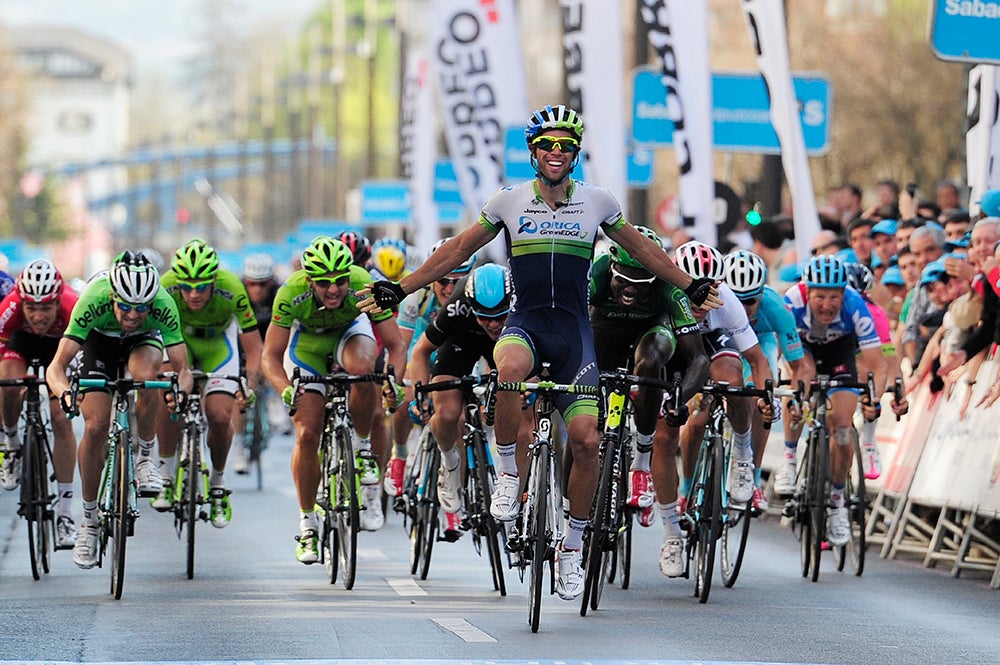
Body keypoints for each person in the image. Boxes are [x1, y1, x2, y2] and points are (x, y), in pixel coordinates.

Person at [358, 104, 719, 601]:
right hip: (525, 324)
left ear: (575, 153)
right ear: (533, 151)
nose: (556, 152)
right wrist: (400, 289)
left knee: (587, 441)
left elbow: (644, 251)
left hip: (575, 334)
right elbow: (457, 250)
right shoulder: (508, 202)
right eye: (547, 144)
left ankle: (572, 547)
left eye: (565, 145)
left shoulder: (597, 201)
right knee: (507, 370)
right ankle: (507, 471)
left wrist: (689, 284)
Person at [261, 237, 406, 563]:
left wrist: (393, 381)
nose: (333, 290)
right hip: (308, 345)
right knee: (308, 433)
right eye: (324, 283)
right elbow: (269, 356)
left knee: (364, 370)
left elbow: (395, 345)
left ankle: (362, 447)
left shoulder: (363, 284)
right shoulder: (289, 293)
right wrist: (284, 387)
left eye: (340, 280)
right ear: (309, 280)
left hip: (350, 334)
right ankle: (308, 524)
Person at [46, 251, 193, 569]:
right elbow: (56, 367)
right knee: (96, 426)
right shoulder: (93, 299)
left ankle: (144, 459)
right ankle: (89, 522)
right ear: (113, 296)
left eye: (141, 308)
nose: (132, 314)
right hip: (99, 342)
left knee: (148, 378)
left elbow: (184, 371)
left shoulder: (163, 305)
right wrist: (64, 394)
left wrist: (178, 394)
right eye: (125, 306)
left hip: (142, 342)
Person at [653, 242, 773, 577]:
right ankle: (672, 533)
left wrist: (765, 396)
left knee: (734, 383)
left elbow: (757, 360)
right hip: (674, 345)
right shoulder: (661, 298)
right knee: (665, 435)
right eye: (696, 291)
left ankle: (742, 453)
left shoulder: (727, 304)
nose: (706, 297)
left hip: (713, 343)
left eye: (715, 288)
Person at [589, 228, 710, 529]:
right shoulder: (597, 271)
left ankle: (641, 464)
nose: (630, 291)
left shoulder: (670, 287)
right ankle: (568, 519)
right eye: (624, 281)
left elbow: (699, 358)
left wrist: (680, 399)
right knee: (585, 429)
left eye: (641, 284)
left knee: (650, 363)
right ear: (612, 266)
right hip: (604, 333)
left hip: (650, 332)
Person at [782, 256, 902, 546]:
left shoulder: (855, 305)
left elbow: (877, 365)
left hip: (840, 354)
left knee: (843, 429)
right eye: (820, 296)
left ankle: (837, 501)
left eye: (833, 296)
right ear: (807, 290)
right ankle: (789, 458)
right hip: (804, 350)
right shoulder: (792, 301)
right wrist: (799, 393)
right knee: (801, 388)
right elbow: (786, 358)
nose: (827, 304)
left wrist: (873, 398)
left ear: (843, 293)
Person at [407, 263, 528, 541]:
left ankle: (518, 494)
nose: (494, 324)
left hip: (511, 345)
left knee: (525, 420)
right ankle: (450, 463)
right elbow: (421, 352)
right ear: (471, 307)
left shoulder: (522, 303)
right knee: (449, 414)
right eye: (486, 318)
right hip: (462, 342)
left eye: (499, 316)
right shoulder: (457, 306)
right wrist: (420, 395)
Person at [152, 239, 262, 528]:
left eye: (201, 286)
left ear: (214, 280)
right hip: (179, 342)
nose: (193, 293)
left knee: (220, 414)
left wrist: (247, 384)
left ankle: (217, 482)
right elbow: (153, 338)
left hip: (218, 346)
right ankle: (164, 473)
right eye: (187, 286)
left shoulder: (232, 288)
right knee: (169, 396)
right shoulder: (166, 286)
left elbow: (254, 347)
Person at [384, 238, 477, 500]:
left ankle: (455, 481)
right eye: (443, 280)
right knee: (407, 395)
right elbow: (401, 346)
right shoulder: (418, 296)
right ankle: (400, 455)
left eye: (457, 281)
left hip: (459, 347)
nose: (449, 288)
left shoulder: (474, 296)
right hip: (421, 342)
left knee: (457, 418)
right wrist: (393, 382)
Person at [723, 250, 814, 503]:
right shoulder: (714, 302)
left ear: (762, 294)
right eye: (735, 300)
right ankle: (687, 491)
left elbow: (799, 366)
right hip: (725, 341)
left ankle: (753, 475)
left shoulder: (775, 307)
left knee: (763, 398)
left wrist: (798, 399)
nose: (742, 308)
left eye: (750, 301)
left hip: (760, 343)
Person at [0, 259, 80, 546]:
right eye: (31, 307)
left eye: (46, 307)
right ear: (21, 301)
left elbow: (84, 353)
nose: (38, 315)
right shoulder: (9, 307)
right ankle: (10, 446)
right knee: (7, 385)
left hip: (60, 349)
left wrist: (74, 387)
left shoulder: (74, 305)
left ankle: (65, 514)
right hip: (20, 344)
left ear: (58, 301)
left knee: (61, 419)